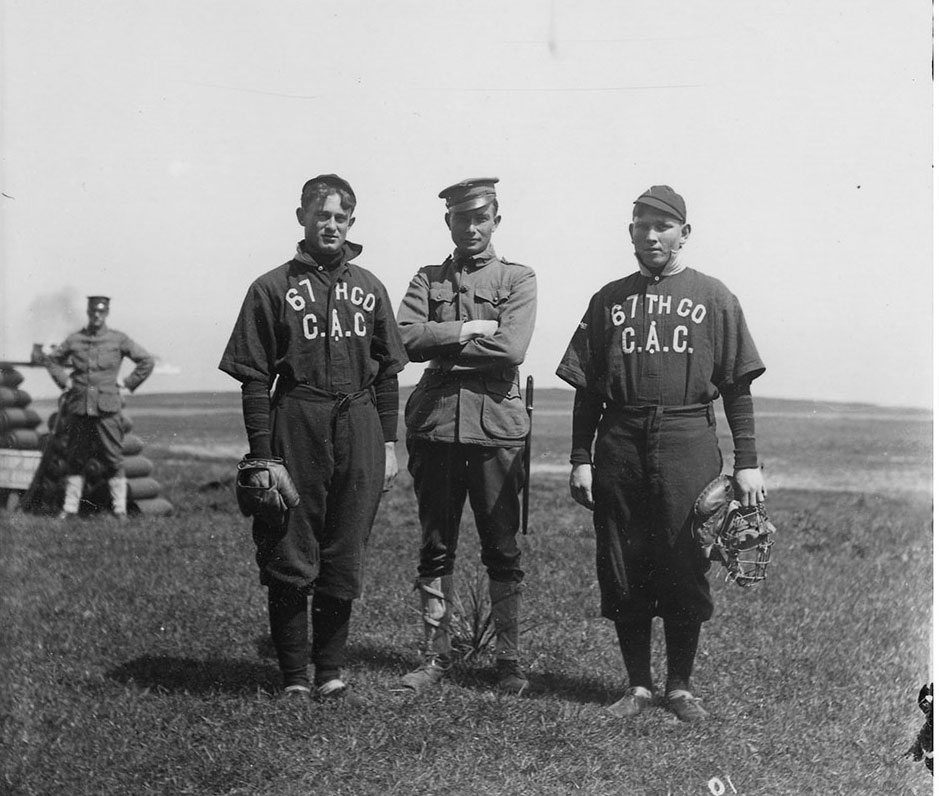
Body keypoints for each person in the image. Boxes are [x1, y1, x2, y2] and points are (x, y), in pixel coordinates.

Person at [555, 185, 767, 722]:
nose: (651, 235)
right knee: (624, 562)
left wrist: (747, 461)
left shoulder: (715, 297)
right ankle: (638, 686)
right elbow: (587, 389)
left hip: (686, 438)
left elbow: (737, 385)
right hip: (621, 439)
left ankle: (680, 686)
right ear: (630, 232)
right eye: (641, 225)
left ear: (684, 233)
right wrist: (582, 456)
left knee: (685, 558)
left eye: (663, 226)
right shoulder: (608, 299)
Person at [219, 174, 408, 699]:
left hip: (360, 423)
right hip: (297, 419)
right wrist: (262, 454)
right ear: (301, 217)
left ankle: (330, 672)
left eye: (340, 218)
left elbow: (388, 372)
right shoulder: (271, 287)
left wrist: (389, 446)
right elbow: (256, 377)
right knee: (289, 549)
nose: (330, 225)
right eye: (321, 215)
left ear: (351, 223)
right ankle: (295, 677)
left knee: (344, 551)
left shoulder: (369, 286)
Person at [396, 177, 537, 694]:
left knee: (502, 548)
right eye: (462, 218)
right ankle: (436, 657)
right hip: (434, 426)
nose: (472, 227)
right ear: (448, 222)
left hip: (496, 429)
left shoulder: (518, 278)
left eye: (481, 217)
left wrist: (443, 349)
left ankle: (509, 663)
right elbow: (405, 337)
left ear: (496, 220)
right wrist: (468, 331)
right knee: (436, 547)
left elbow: (512, 349)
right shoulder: (426, 277)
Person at [46, 295, 154, 519]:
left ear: (107, 313)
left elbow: (146, 361)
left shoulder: (118, 339)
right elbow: (53, 360)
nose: (97, 316)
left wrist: (127, 383)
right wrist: (64, 381)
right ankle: (69, 509)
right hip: (79, 408)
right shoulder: (75, 339)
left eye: (101, 312)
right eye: (93, 312)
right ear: (88, 312)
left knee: (113, 459)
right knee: (75, 459)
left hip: (107, 409)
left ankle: (120, 510)